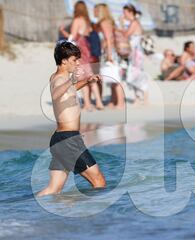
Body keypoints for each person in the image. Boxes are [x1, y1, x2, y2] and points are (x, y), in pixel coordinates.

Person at [37, 41, 106, 197]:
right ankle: (96, 218)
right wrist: (72, 80)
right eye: (74, 60)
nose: (77, 63)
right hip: (68, 140)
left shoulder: (57, 77)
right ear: (63, 61)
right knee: (99, 181)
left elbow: (69, 90)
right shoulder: (59, 80)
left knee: (53, 189)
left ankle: (24, 208)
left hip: (60, 139)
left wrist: (87, 81)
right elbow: (55, 95)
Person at [60, 1, 104, 111]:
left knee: (83, 77)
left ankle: (88, 104)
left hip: (79, 50)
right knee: (90, 76)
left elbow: (73, 37)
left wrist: (62, 32)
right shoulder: (86, 21)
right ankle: (99, 102)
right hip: (87, 49)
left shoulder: (77, 20)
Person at [94, 3, 125, 109]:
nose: (94, 12)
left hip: (109, 52)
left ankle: (120, 103)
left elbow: (108, 39)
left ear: (100, 11)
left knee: (115, 78)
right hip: (110, 51)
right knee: (112, 79)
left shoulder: (104, 22)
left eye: (96, 10)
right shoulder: (109, 22)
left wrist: (109, 55)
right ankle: (113, 101)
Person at [118, 4, 149, 103]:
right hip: (134, 51)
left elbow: (126, 35)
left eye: (125, 12)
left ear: (130, 12)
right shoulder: (134, 22)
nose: (124, 14)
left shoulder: (134, 22)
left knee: (136, 73)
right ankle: (138, 97)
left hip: (137, 52)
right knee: (133, 72)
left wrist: (121, 23)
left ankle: (144, 96)